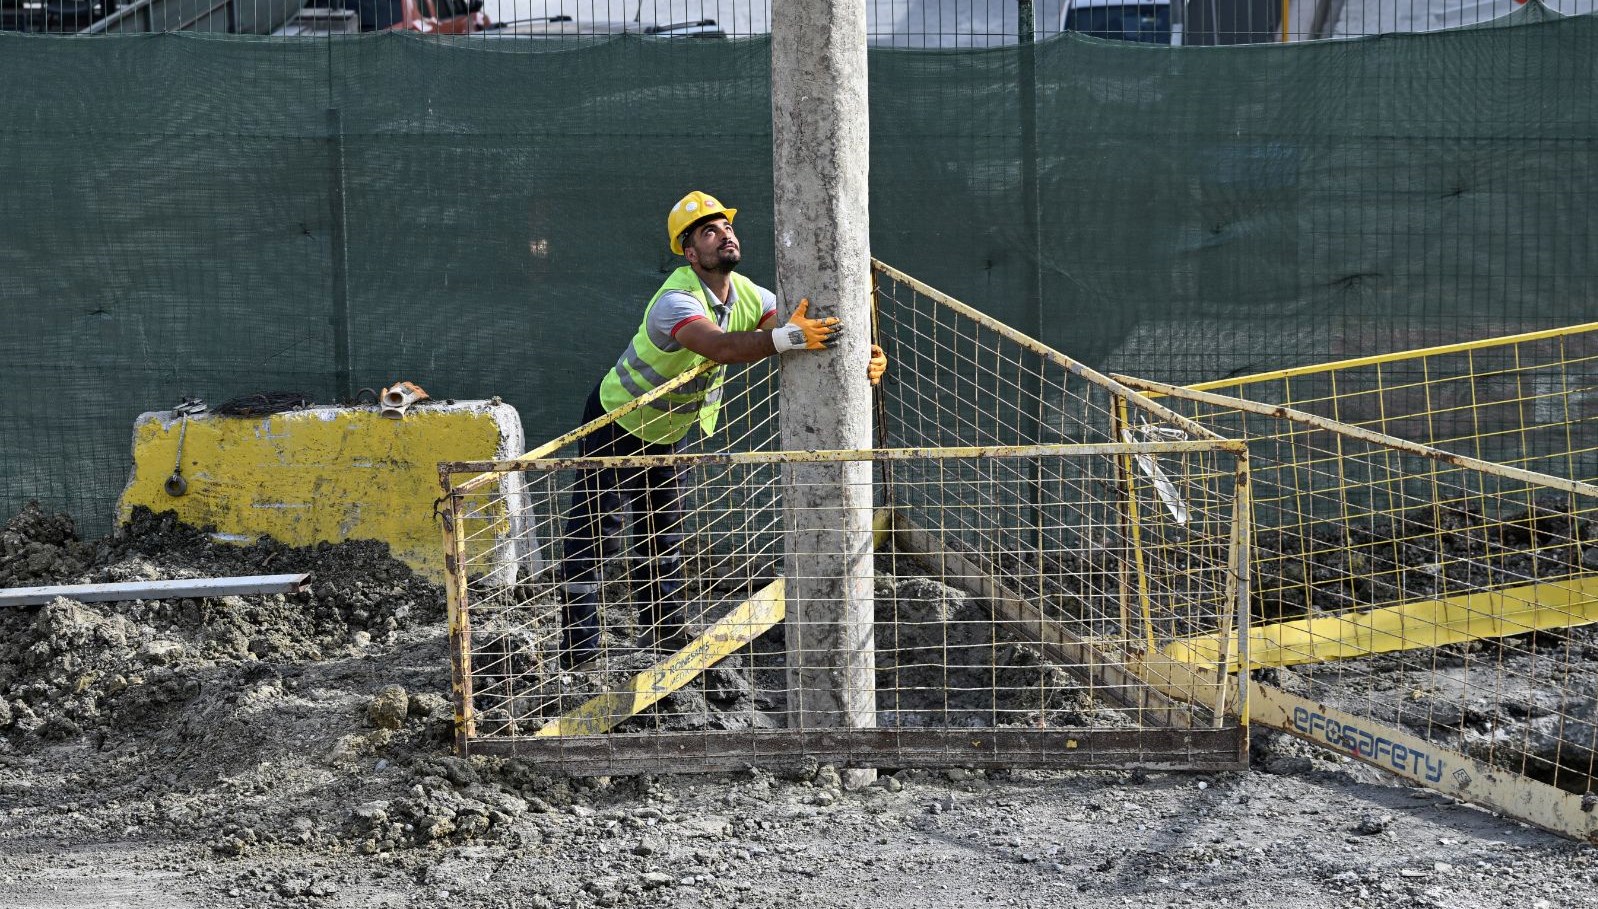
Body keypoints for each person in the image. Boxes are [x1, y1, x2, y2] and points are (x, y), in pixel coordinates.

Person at [559, 190, 888, 669]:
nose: (725, 235)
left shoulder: (749, 294)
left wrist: (864, 356)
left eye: (727, 227)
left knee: (663, 536)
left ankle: (664, 636)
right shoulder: (675, 300)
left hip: (670, 430)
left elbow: (798, 327)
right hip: (617, 421)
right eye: (709, 231)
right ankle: (580, 651)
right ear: (691, 253)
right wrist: (783, 338)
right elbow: (721, 347)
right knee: (595, 534)